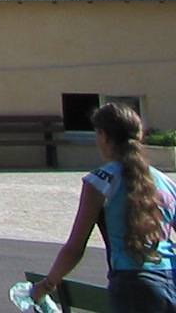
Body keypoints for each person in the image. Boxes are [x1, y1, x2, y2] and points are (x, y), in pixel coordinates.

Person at [33, 101, 175, 311]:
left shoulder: (99, 182)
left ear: (104, 136)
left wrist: (47, 284)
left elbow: (75, 248)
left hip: (133, 285)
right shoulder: (166, 183)